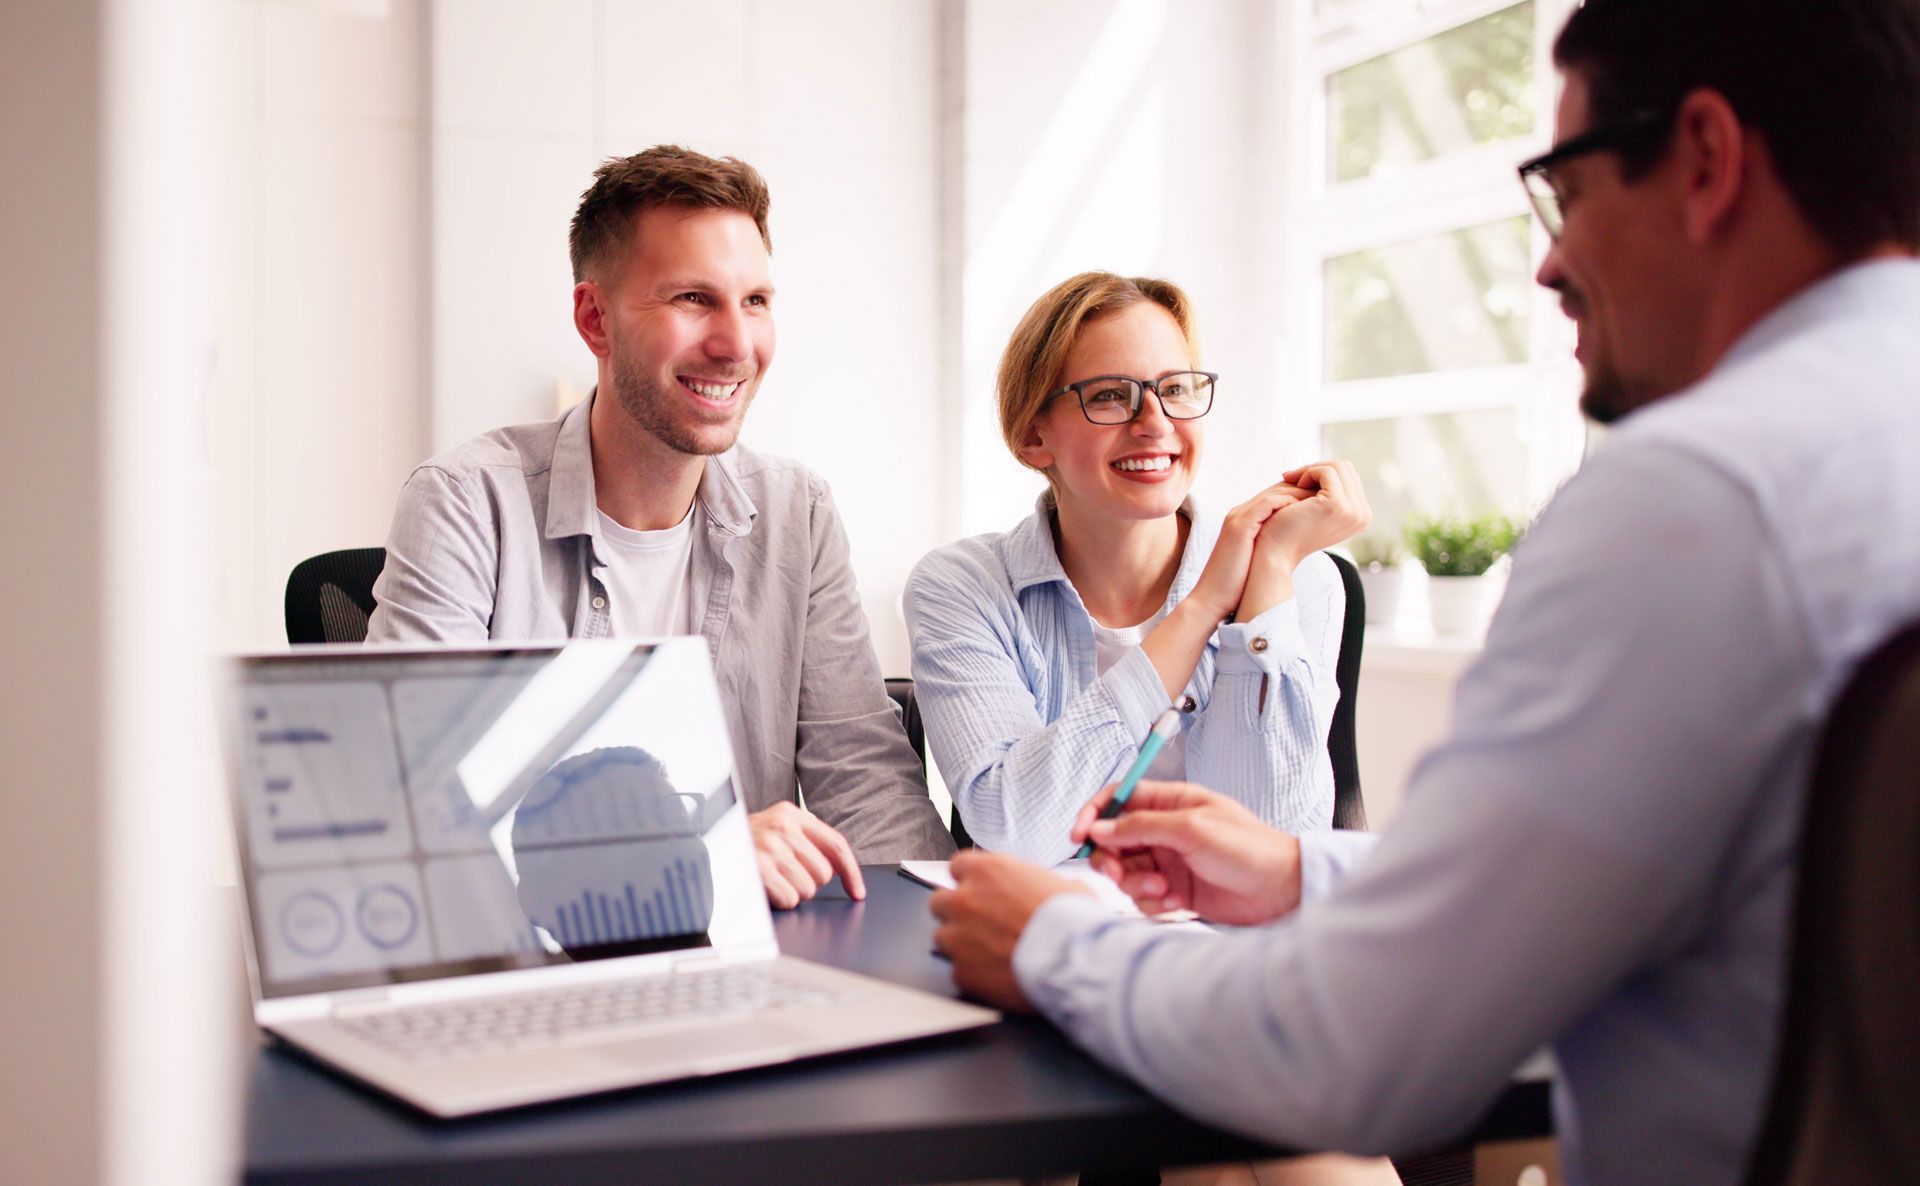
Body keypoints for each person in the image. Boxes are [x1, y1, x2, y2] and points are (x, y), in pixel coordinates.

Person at [925, 1, 1920, 1183]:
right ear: (1034, 431)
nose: (1548, 262)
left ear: (1705, 159)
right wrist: (1304, 872)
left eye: (1569, 188)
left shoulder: (1691, 500)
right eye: (1108, 396)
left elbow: (1364, 1044)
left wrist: (1057, 943)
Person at [367, 145, 954, 908]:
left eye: (756, 302)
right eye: (692, 299)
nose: (736, 344)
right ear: (594, 320)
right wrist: (697, 853)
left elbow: (866, 784)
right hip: (533, 969)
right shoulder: (468, 503)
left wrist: (948, 938)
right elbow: (410, 804)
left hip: (747, 975)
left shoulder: (797, 514)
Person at [905, 273, 1369, 865]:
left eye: (1176, 388)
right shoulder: (964, 586)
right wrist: (1202, 609)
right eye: (1107, 395)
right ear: (1031, 436)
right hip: (1047, 940)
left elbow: (1271, 840)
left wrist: (1267, 577)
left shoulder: (1297, 578)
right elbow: (1013, 830)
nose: (1155, 422)